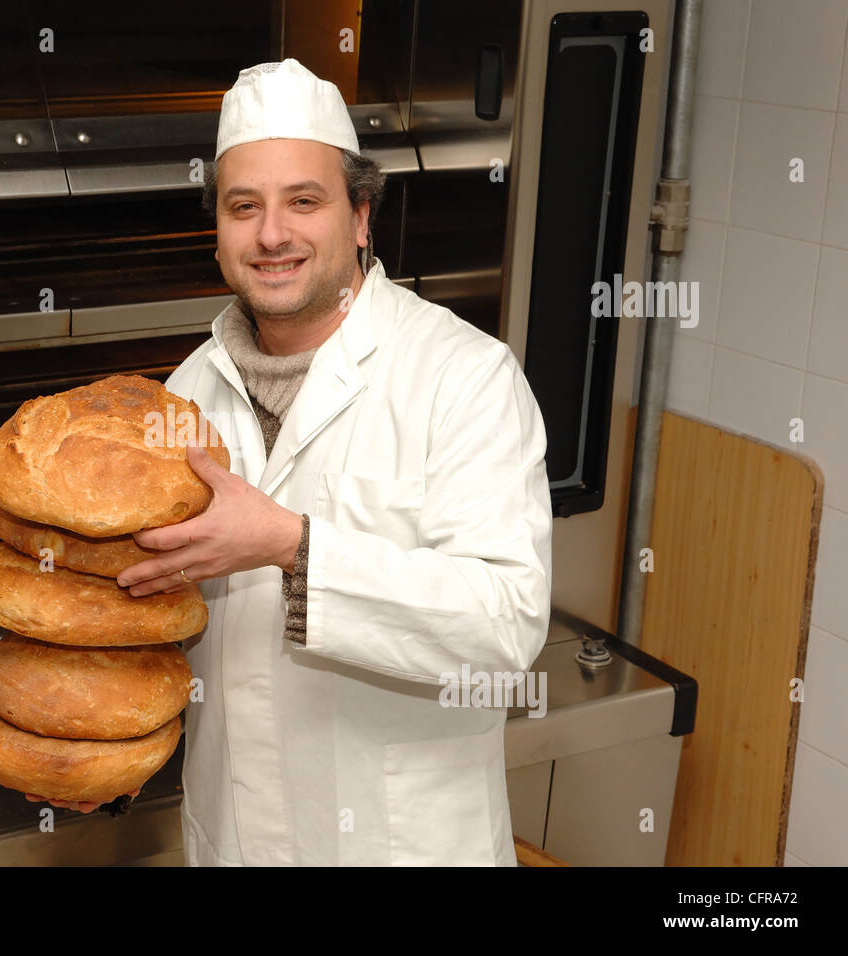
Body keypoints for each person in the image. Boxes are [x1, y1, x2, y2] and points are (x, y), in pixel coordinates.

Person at [37, 58, 553, 866]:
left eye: (303, 201)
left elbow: (506, 623)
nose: (271, 234)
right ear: (218, 229)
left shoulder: (463, 377)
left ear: (359, 217)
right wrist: (111, 747)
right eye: (244, 206)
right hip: (238, 839)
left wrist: (292, 546)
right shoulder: (185, 397)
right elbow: (159, 622)